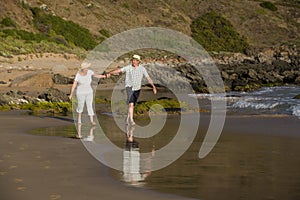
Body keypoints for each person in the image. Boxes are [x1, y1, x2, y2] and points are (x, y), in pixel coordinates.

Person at [107, 54, 156, 125]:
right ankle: (131, 120)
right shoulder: (128, 67)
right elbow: (119, 70)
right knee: (131, 104)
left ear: (138, 62)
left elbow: (148, 78)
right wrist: (110, 72)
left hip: (137, 88)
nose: (133, 61)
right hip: (129, 87)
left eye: (135, 60)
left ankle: (127, 119)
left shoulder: (142, 69)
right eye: (133, 60)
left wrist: (153, 86)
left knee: (132, 105)